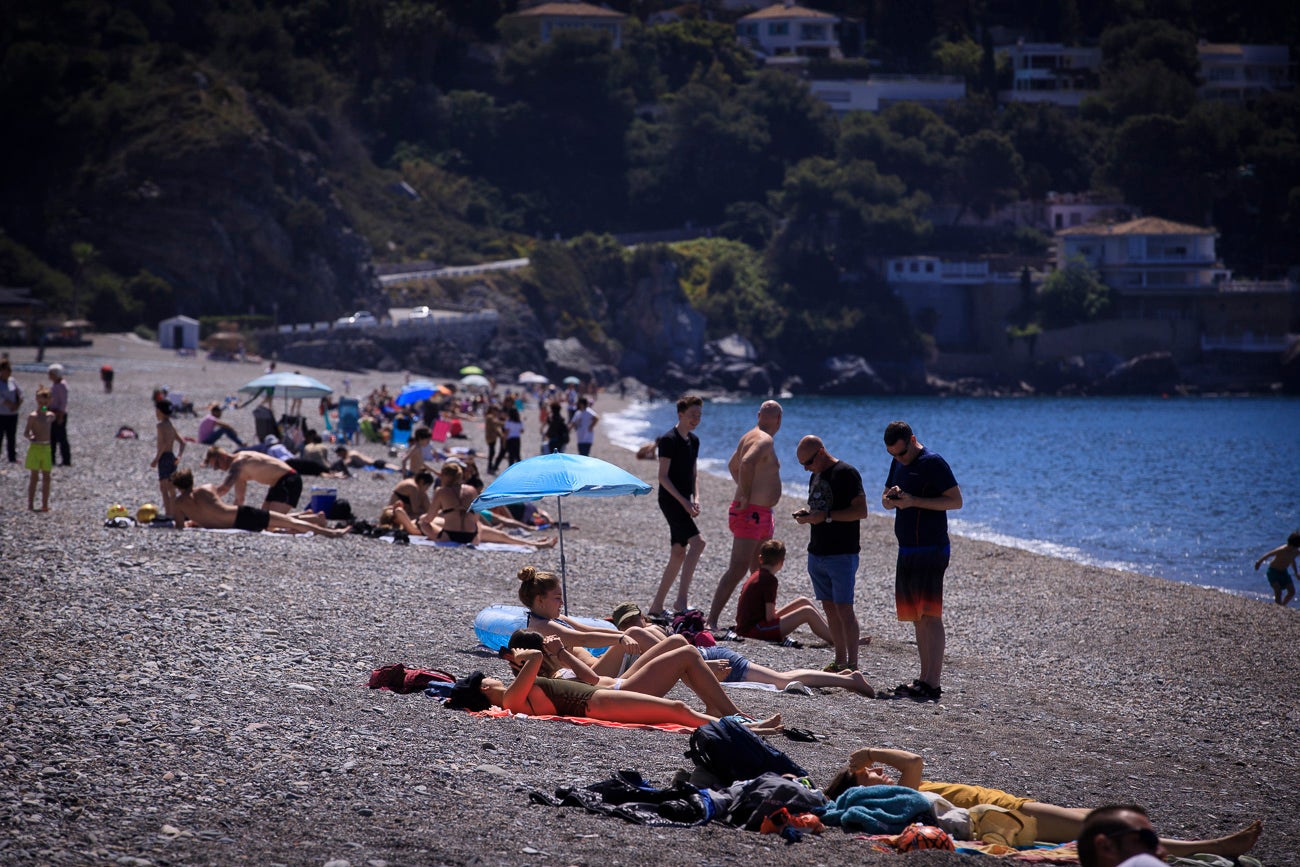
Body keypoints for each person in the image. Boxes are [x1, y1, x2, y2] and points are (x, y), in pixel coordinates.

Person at [825, 748, 1261, 859]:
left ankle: (1192, 845)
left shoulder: (909, 793)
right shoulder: (907, 791)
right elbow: (913, 760)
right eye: (871, 776)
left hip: (1012, 809)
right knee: (1101, 825)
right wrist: (868, 753)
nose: (880, 775)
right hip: (1014, 814)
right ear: (858, 781)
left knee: (1098, 825)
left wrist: (868, 765)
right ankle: (1209, 847)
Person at [445, 651, 780, 734]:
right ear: (485, 689)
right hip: (596, 704)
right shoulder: (511, 699)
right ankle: (745, 728)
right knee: (677, 710)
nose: (491, 676)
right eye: (486, 678)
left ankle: (745, 726)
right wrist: (520, 655)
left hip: (597, 701)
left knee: (678, 710)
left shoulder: (514, 695)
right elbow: (534, 658)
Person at [613, 603, 874, 696]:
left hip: (714, 660)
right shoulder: (639, 636)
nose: (631, 625)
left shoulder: (648, 633)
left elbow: (672, 656)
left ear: (641, 618)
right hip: (709, 660)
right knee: (781, 678)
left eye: (634, 619)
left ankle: (848, 680)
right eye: (625, 623)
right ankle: (846, 679)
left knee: (782, 680)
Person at [503, 629, 760, 721]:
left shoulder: (552, 671)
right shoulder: (547, 679)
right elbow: (591, 681)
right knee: (688, 654)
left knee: (677, 641)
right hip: (624, 692)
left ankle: (710, 700)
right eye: (545, 651)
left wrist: (560, 652)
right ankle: (732, 713)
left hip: (622, 683)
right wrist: (561, 652)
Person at [881, 420, 962, 701]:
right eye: (893, 454)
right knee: (916, 616)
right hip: (907, 549)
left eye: (902, 453)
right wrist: (891, 500)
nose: (899, 459)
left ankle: (933, 682)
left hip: (931, 547)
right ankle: (924, 677)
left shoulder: (933, 462)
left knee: (930, 613)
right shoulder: (897, 461)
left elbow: (955, 501)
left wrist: (914, 501)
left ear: (913, 440)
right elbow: (885, 496)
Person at [793, 435, 869, 673]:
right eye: (802, 465)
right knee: (829, 608)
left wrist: (826, 516)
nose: (806, 469)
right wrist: (809, 515)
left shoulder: (847, 473)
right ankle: (839, 660)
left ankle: (853, 664)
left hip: (842, 552)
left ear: (821, 453)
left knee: (845, 608)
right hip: (817, 551)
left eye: (808, 462)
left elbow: (861, 511)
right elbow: (820, 508)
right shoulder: (816, 475)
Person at [707, 400, 783, 636]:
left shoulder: (750, 435)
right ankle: (711, 620)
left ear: (759, 414)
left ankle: (753, 619)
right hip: (752, 513)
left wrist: (745, 490)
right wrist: (746, 494)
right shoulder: (764, 439)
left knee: (758, 571)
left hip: (758, 513)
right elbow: (746, 462)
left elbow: (733, 465)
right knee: (739, 568)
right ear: (779, 421)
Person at [650, 395, 705, 619]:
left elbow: (694, 473)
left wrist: (697, 497)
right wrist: (684, 501)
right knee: (699, 543)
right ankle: (681, 601)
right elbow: (662, 477)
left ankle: (656, 606)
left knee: (678, 552)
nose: (696, 419)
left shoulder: (694, 441)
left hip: (685, 500)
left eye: (699, 415)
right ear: (680, 414)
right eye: (692, 414)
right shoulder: (668, 439)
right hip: (670, 500)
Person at [170, 469, 346, 537]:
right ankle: (330, 532)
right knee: (286, 521)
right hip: (242, 515)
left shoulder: (178, 504)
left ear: (177, 486)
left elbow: (180, 527)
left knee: (277, 521)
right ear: (191, 480)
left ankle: (312, 519)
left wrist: (195, 520)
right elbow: (219, 497)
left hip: (233, 525)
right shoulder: (205, 489)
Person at [418, 463, 556, 548]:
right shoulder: (471, 490)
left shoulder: (440, 491)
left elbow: (429, 518)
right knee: (503, 537)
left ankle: (537, 543)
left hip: (448, 536)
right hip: (471, 537)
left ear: (445, 476)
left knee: (422, 522)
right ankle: (537, 544)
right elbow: (476, 516)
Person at [735, 540, 835, 648]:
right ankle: (837, 640)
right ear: (781, 562)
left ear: (760, 559)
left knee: (803, 601)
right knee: (807, 612)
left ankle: (834, 632)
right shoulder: (769, 580)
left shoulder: (757, 575)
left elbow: (768, 614)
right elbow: (770, 617)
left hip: (748, 626)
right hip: (754, 630)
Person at [205, 446, 303, 514]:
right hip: (277, 483)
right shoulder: (238, 472)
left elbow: (223, 489)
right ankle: (307, 516)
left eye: (217, 464)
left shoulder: (238, 463)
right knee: (265, 521)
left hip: (289, 480)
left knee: (272, 521)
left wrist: (202, 500)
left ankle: (311, 519)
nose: (219, 468)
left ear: (224, 456)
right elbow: (239, 500)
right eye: (215, 467)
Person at [151, 400, 186, 518]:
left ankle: (169, 514)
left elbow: (164, 444)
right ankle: (174, 513)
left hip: (164, 457)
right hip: (172, 457)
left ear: (160, 411)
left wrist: (156, 459)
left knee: (164, 488)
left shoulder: (160, 426)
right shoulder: (171, 425)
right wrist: (179, 456)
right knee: (171, 489)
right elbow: (182, 442)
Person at [23, 385, 53, 511]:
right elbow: (26, 432)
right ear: (36, 400)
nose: (42, 404)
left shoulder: (50, 415)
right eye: (40, 402)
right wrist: (30, 436)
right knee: (34, 477)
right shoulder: (33, 416)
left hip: (46, 447)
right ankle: (30, 504)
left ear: (49, 401)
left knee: (47, 477)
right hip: (35, 447)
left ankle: (44, 504)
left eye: (45, 402)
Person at [1253, 530, 1299, 606]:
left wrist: (1296, 573)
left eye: (1293, 547)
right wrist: (1259, 562)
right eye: (1289, 546)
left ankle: (1282, 606)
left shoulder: (1295, 552)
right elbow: (1268, 554)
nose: (1290, 548)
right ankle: (1278, 607)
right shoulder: (1282, 549)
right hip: (1273, 571)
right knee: (1278, 591)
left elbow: (1292, 561)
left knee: (1292, 591)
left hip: (1284, 572)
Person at [46, 363, 69, 466]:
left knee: (61, 438)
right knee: (52, 438)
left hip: (58, 414)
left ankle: (66, 460)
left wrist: (60, 415)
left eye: (50, 373)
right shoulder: (55, 385)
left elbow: (63, 402)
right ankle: (51, 460)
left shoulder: (61, 385)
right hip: (51, 413)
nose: (49, 375)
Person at [0, 358, 22, 462]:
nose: (9, 373)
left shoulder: (12, 381)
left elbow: (20, 393)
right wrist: (10, 404)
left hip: (13, 414)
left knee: (11, 437)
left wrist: (17, 404)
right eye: (7, 370)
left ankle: (12, 457)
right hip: (1, 414)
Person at [483, 406, 503, 473]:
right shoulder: (490, 417)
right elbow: (495, 423)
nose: (496, 412)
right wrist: (506, 423)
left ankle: (490, 466)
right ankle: (489, 467)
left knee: (492, 452)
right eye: (495, 410)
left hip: (492, 437)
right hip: (490, 437)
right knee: (491, 452)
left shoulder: (492, 417)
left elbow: (496, 427)